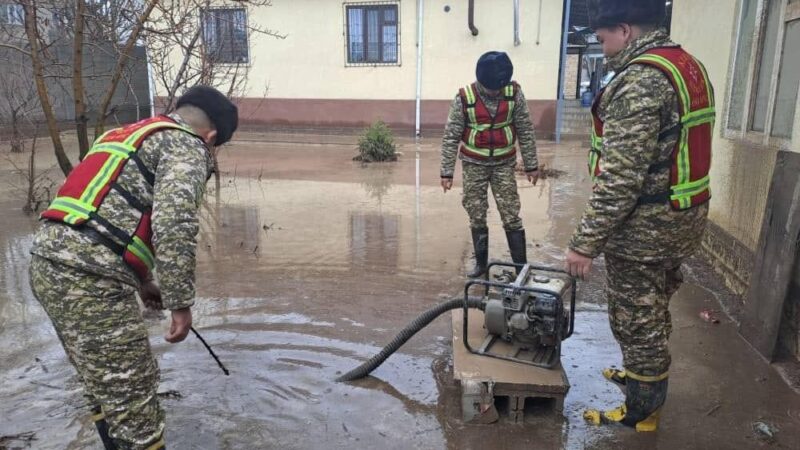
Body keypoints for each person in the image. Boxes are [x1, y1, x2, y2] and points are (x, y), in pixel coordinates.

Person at [29, 86, 238, 449]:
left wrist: (143, 280)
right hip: (90, 280)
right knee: (137, 410)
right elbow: (173, 224)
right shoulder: (187, 145)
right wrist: (180, 304)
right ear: (212, 136)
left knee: (102, 387)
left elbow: (99, 213)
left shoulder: (125, 135)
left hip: (46, 264)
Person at [566, 0, 714, 432]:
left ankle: (641, 412)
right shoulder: (686, 65)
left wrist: (584, 243)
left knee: (635, 319)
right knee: (653, 305)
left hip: (647, 228)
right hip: (681, 216)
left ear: (625, 30)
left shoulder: (642, 81)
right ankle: (642, 378)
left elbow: (621, 179)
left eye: (604, 38)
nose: (604, 47)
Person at [440, 51, 540, 277]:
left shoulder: (514, 94)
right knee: (476, 212)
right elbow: (451, 136)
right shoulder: (465, 98)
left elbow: (525, 129)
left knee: (511, 213)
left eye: (498, 87)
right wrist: (446, 172)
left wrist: (532, 165)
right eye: (491, 88)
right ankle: (481, 264)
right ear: (481, 80)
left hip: (504, 164)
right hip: (473, 164)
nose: (495, 92)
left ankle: (520, 268)